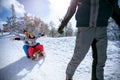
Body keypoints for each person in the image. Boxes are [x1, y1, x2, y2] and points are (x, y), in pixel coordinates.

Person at [58, 0, 120, 80]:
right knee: (78, 56)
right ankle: (69, 76)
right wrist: (63, 23)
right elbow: (72, 7)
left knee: (100, 59)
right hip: (85, 28)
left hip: (102, 28)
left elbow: (114, 7)